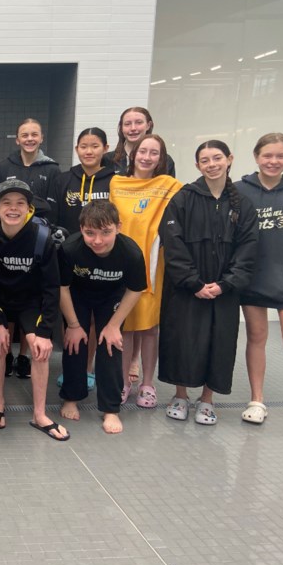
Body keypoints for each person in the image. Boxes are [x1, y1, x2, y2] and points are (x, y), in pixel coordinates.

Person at [159, 141, 258, 425]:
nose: (212, 164)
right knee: (181, 339)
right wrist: (193, 282)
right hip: (186, 287)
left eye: (217, 158)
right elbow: (172, 243)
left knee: (220, 341)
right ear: (197, 165)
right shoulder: (183, 199)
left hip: (224, 291)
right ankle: (179, 394)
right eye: (205, 160)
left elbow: (248, 249)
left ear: (229, 159)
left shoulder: (243, 205)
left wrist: (225, 284)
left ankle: (207, 399)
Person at [234, 133, 283, 449]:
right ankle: (256, 401)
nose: (273, 161)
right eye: (267, 155)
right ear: (256, 156)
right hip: (252, 282)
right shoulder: (240, 191)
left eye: (280, 156)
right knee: (256, 337)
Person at [0, 180, 69, 440]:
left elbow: (52, 289)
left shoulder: (43, 239)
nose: (13, 208)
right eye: (6, 203)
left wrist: (44, 331)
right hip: (1, 300)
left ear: (29, 209)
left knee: (39, 349)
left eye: (20, 203)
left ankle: (39, 414)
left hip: (31, 301)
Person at [57, 201, 146, 433]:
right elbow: (62, 288)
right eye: (90, 233)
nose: (97, 240)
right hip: (78, 295)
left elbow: (135, 290)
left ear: (118, 227)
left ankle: (111, 409)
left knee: (110, 344)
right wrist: (74, 325)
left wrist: (114, 325)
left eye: (105, 232)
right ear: (81, 229)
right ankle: (71, 397)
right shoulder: (70, 249)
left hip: (111, 297)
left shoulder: (131, 253)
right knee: (75, 344)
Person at [109, 134, 183, 409]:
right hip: (123, 262)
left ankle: (148, 383)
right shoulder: (117, 184)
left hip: (154, 263)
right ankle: (124, 381)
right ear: (133, 154)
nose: (147, 157)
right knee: (126, 327)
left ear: (161, 158)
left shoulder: (170, 186)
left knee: (150, 328)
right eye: (143, 151)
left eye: (154, 153)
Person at [0, 118, 63, 378]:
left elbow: (52, 206)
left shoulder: (52, 169)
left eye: (34, 135)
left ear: (41, 138)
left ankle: (23, 356)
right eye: (24, 135)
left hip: (35, 239)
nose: (29, 139)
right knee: (6, 293)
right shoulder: (4, 166)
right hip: (8, 237)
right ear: (17, 139)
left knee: (30, 296)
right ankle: (5, 354)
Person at [51, 127, 120, 390]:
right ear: (76, 149)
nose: (89, 151)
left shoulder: (116, 179)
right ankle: (72, 366)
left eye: (94, 146)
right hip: (70, 255)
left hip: (104, 257)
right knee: (69, 313)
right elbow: (55, 216)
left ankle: (88, 366)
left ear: (105, 148)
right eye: (83, 146)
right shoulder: (64, 179)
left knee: (92, 318)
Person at [104, 107, 176, 177]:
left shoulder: (165, 160)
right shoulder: (107, 159)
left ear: (148, 125)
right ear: (121, 128)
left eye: (139, 122)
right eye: (127, 124)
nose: (133, 128)